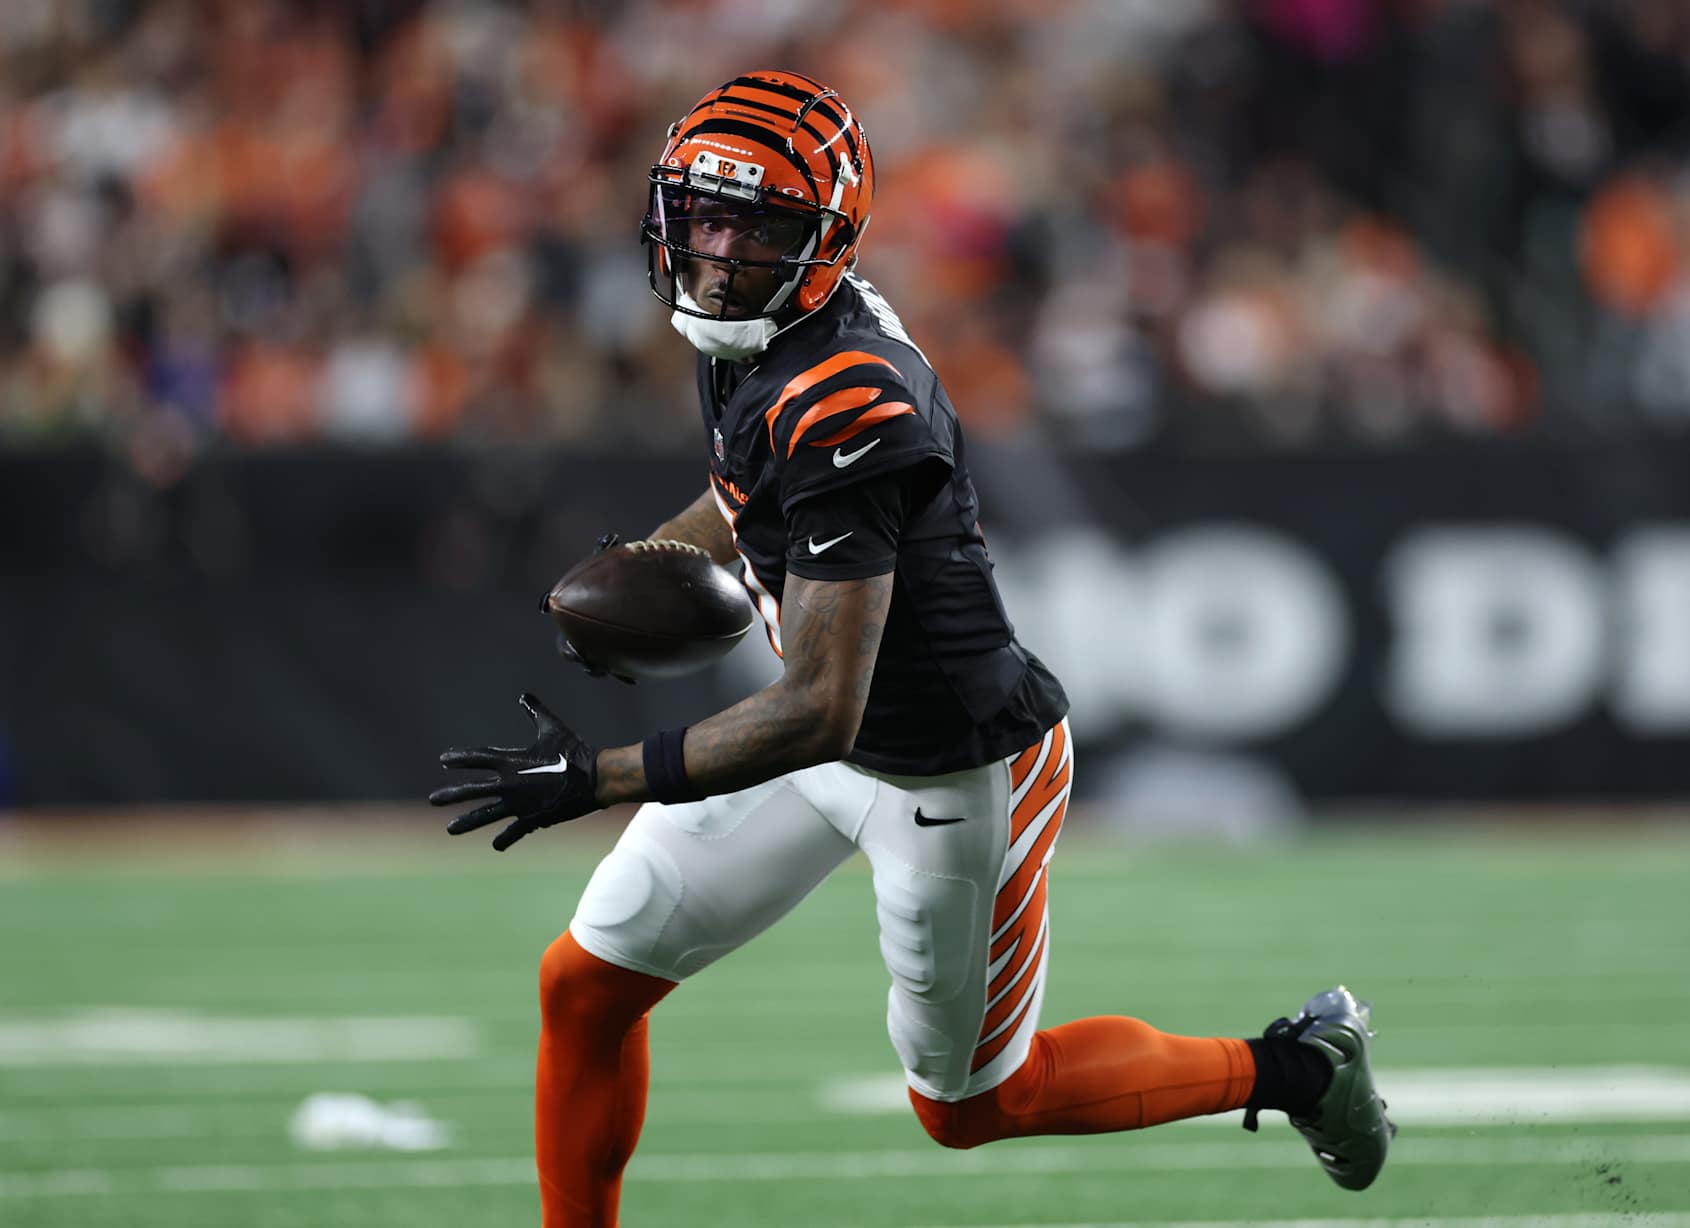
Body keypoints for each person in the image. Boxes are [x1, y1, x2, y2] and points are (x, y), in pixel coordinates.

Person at [428, 70, 1395, 1228]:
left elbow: (818, 708)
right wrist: (646, 566)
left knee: (975, 1102)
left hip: (943, 768)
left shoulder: (846, 395)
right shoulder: (754, 325)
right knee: (585, 984)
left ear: (823, 245)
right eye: (705, 217)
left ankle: (1301, 1067)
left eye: (756, 228)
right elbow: (744, 494)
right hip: (820, 737)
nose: (720, 254)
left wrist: (598, 777)